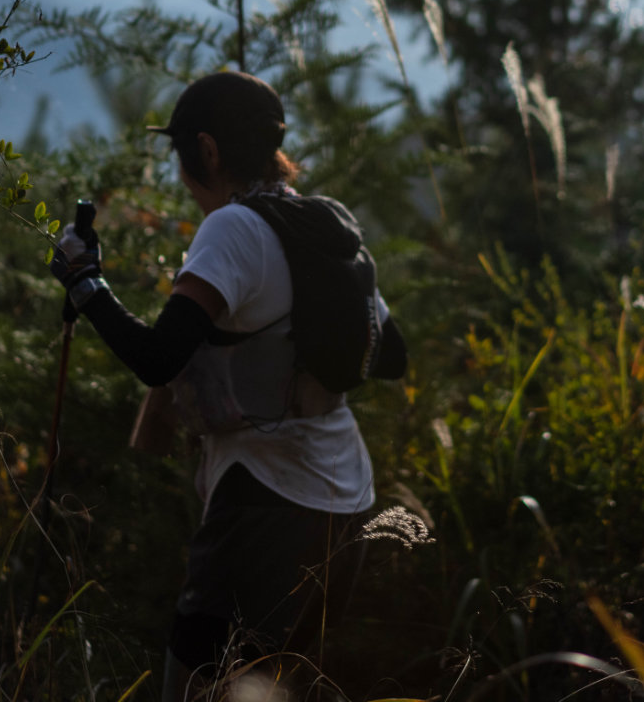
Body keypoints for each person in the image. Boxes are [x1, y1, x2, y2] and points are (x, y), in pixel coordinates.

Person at [47, 70, 407, 701]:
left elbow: (158, 356)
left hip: (266, 501)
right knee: (272, 688)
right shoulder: (319, 226)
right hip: (345, 495)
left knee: (197, 688)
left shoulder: (234, 228)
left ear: (207, 151)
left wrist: (85, 283)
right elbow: (392, 355)